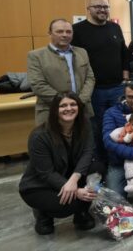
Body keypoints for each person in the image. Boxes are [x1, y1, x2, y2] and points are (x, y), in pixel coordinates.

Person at [19, 92, 97, 235]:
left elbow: (88, 152)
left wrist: (74, 180)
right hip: (40, 185)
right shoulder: (39, 136)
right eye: (63, 106)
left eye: (73, 104)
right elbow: (46, 173)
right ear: (55, 109)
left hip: (68, 173)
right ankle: (43, 214)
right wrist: (77, 192)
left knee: (98, 169)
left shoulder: (84, 124)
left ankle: (81, 214)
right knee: (67, 205)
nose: (69, 108)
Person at [71, 0, 128, 166]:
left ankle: (119, 162)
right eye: (98, 6)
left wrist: (125, 79)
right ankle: (101, 165)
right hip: (93, 91)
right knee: (97, 128)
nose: (102, 10)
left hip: (117, 88)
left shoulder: (115, 27)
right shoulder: (77, 30)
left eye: (105, 6)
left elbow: (123, 54)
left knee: (120, 125)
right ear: (88, 9)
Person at [27, 18, 95, 125]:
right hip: (50, 112)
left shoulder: (82, 52)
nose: (65, 35)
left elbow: (90, 78)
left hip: (82, 110)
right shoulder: (36, 56)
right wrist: (65, 103)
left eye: (68, 32)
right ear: (50, 33)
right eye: (59, 31)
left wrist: (80, 101)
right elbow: (37, 84)